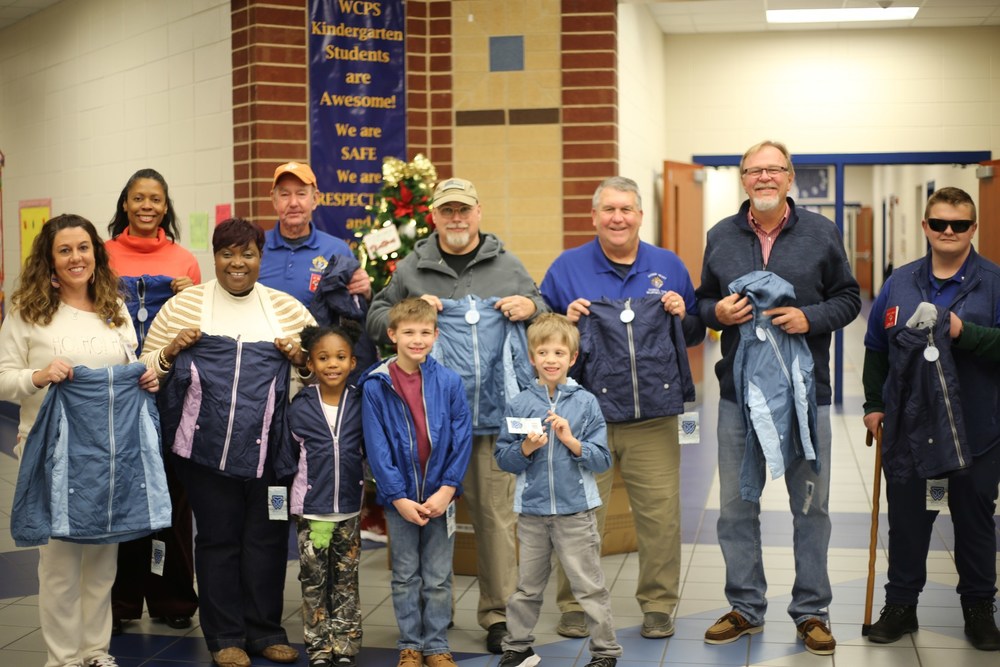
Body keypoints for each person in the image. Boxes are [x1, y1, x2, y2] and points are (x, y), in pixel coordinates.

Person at [366, 177, 547, 652]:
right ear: (434, 217)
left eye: (463, 209)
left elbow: (544, 312)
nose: (456, 218)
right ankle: (430, 617)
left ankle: (498, 616)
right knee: (425, 517)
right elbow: (376, 317)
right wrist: (408, 312)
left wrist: (530, 305)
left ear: (478, 212)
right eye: (447, 210)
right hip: (428, 424)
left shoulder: (508, 265)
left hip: (493, 422)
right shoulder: (413, 266)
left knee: (496, 521)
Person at [695, 140, 861, 655]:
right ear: (743, 179)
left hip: (805, 397)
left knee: (811, 507)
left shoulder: (821, 233)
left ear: (790, 177)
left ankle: (811, 610)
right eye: (753, 170)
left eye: (773, 169)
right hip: (737, 397)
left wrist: (811, 317)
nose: (763, 177)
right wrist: (717, 314)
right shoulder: (721, 235)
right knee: (735, 508)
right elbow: (703, 300)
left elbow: (849, 298)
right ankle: (745, 607)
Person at [140, 218, 316, 667]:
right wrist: (170, 351)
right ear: (214, 257)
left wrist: (302, 361)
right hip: (204, 456)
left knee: (267, 540)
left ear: (261, 257)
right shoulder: (183, 308)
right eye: (227, 253)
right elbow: (145, 369)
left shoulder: (289, 311)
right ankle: (225, 637)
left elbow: (321, 374)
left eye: (248, 254)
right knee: (218, 540)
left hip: (272, 454)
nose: (237, 263)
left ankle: (265, 631)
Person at [539, 176, 703, 640]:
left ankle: (658, 604)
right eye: (609, 209)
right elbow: (540, 334)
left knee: (660, 517)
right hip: (583, 421)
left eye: (626, 209)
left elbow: (694, 333)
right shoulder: (566, 267)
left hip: (655, 419)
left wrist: (681, 314)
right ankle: (574, 605)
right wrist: (564, 322)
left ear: (640, 216)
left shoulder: (668, 265)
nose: (618, 218)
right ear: (594, 216)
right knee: (578, 517)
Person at [0, 214, 161, 667]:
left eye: (84, 248)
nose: (76, 258)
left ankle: (95, 651)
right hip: (50, 452)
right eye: (65, 250)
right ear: (49, 259)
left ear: (96, 253)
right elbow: (3, 378)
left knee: (102, 563)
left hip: (110, 453)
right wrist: (38, 376)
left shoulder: (114, 308)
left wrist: (145, 379)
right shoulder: (28, 313)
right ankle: (64, 658)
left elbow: (129, 364)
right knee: (59, 565)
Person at [862, 186, 1000, 651]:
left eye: (958, 224)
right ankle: (901, 606)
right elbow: (876, 349)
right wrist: (873, 405)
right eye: (939, 223)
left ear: (972, 228)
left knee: (975, 523)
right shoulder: (899, 282)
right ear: (925, 226)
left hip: (975, 430)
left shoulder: (994, 283)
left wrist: (964, 332)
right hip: (910, 429)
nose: (948, 231)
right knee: (907, 521)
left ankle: (979, 610)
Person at [494, 313, 622, 667]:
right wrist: (526, 448)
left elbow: (601, 460)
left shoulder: (586, 402)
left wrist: (571, 440)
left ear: (573, 357)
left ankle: (605, 652)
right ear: (532, 357)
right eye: (543, 352)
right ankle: (517, 647)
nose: (551, 360)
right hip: (532, 513)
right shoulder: (520, 404)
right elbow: (504, 458)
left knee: (589, 586)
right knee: (527, 587)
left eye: (559, 353)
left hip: (576, 512)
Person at [105, 167, 200, 634]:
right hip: (118, 393)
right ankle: (120, 602)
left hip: (170, 395)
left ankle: (172, 599)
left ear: (166, 206)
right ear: (125, 203)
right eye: (138, 198)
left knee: (172, 496)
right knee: (121, 493)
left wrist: (191, 296)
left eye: (155, 199)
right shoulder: (102, 255)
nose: (147, 206)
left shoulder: (184, 261)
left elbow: (200, 325)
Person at [360, 298, 473, 667]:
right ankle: (410, 644)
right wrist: (397, 497)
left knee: (438, 577)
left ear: (436, 335)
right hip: (401, 500)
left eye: (425, 332)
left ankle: (436, 645)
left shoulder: (449, 382)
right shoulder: (376, 385)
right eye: (409, 332)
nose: (418, 339)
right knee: (406, 575)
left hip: (441, 497)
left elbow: (462, 438)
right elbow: (377, 447)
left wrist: (448, 489)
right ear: (392, 334)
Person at [289, 323, 366, 667]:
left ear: (352, 362)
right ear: (311, 363)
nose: (332, 364)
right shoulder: (301, 404)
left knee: (346, 581)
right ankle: (319, 648)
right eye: (323, 358)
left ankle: (345, 646)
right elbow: (287, 456)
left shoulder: (361, 402)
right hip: (312, 511)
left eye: (340, 357)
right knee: (313, 581)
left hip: (348, 510)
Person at [259, 161, 371, 307]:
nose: (293, 203)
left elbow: (356, 308)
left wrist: (366, 293)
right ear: (274, 200)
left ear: (315, 199)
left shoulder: (338, 251)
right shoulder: (256, 247)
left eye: (301, 194)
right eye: (285, 195)